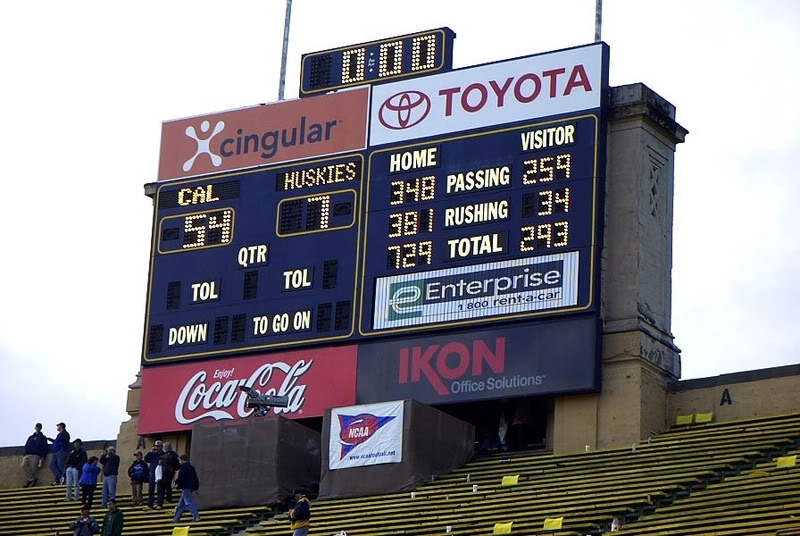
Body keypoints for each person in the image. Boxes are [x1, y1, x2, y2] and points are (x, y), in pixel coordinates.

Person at [172, 454, 200, 523]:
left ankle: (196, 517)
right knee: (181, 504)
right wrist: (196, 488)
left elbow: (181, 477)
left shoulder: (183, 467)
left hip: (185, 487)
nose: (179, 462)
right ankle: (176, 519)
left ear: (182, 460)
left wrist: (176, 484)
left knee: (189, 502)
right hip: (190, 487)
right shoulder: (191, 467)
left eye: (179, 460)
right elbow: (195, 478)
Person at [22, 422, 48, 487]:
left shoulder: (43, 437)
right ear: (35, 428)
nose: (38, 428)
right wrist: (25, 452)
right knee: (23, 466)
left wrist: (42, 457)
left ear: (40, 428)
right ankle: (32, 478)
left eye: (39, 427)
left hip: (35, 455)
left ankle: (31, 481)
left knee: (33, 469)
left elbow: (45, 448)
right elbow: (26, 445)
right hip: (27, 454)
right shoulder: (30, 437)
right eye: (37, 427)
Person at [144, 440, 163, 509]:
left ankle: (159, 504)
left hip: (160, 473)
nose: (157, 447)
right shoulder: (152, 454)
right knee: (151, 489)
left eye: (158, 446)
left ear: (161, 446)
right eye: (156, 446)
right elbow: (146, 459)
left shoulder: (163, 454)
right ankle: (150, 504)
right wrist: (151, 452)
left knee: (160, 489)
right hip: (152, 472)